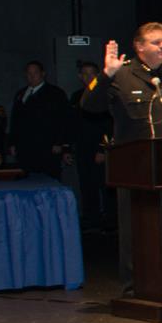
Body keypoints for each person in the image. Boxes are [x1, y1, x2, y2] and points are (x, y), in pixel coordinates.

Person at [80, 22, 162, 295]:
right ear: (139, 46)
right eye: (156, 42)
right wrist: (106, 75)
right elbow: (88, 105)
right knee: (135, 229)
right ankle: (135, 285)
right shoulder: (121, 75)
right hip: (135, 166)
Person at [71, 61, 115, 229]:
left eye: (92, 73)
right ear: (80, 77)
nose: (88, 77)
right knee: (86, 184)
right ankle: (91, 218)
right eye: (85, 74)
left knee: (104, 184)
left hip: (100, 148)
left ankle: (110, 220)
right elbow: (73, 123)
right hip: (83, 148)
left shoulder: (106, 94)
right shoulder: (76, 96)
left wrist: (102, 149)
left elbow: (109, 125)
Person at [9, 61, 70, 178]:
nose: (32, 76)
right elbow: (15, 120)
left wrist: (59, 142)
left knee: (49, 179)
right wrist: (12, 142)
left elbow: (64, 120)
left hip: (47, 147)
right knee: (26, 180)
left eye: (35, 73)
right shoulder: (21, 94)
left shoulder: (55, 93)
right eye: (29, 73)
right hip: (25, 147)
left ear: (43, 74)